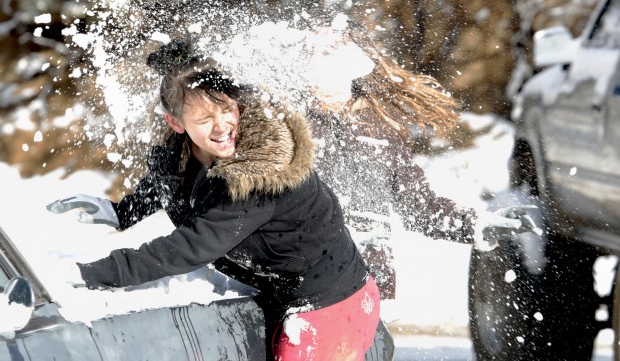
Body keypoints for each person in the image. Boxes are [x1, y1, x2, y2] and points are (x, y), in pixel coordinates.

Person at [47, 38, 382, 360]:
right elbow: (170, 183)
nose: (222, 127)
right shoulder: (189, 152)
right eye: (206, 120)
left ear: (239, 105)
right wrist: (119, 212)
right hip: (288, 297)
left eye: (227, 110)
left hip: (330, 305)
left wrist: (94, 273)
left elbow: (191, 247)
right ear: (175, 123)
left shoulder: (259, 176)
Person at [300, 18, 537, 299]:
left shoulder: (383, 128)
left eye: (331, 50)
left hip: (365, 282)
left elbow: (420, 208)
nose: (320, 60)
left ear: (354, 59)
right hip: (302, 279)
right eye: (312, 52)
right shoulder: (287, 123)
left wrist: (476, 225)